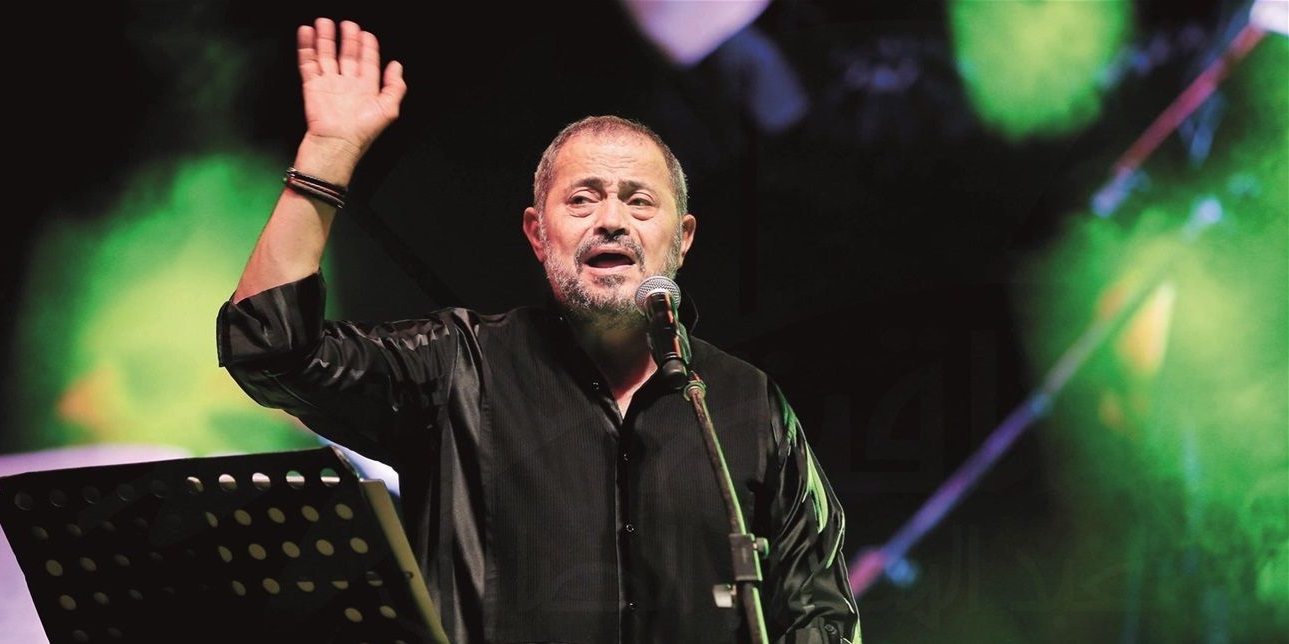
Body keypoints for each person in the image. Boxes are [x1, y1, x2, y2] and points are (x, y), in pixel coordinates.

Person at [218, 18, 861, 644]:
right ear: (537, 233)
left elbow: (818, 611)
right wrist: (328, 154)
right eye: (582, 198)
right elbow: (268, 345)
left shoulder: (747, 402)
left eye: (639, 201)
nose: (612, 219)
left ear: (682, 239)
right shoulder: (458, 366)